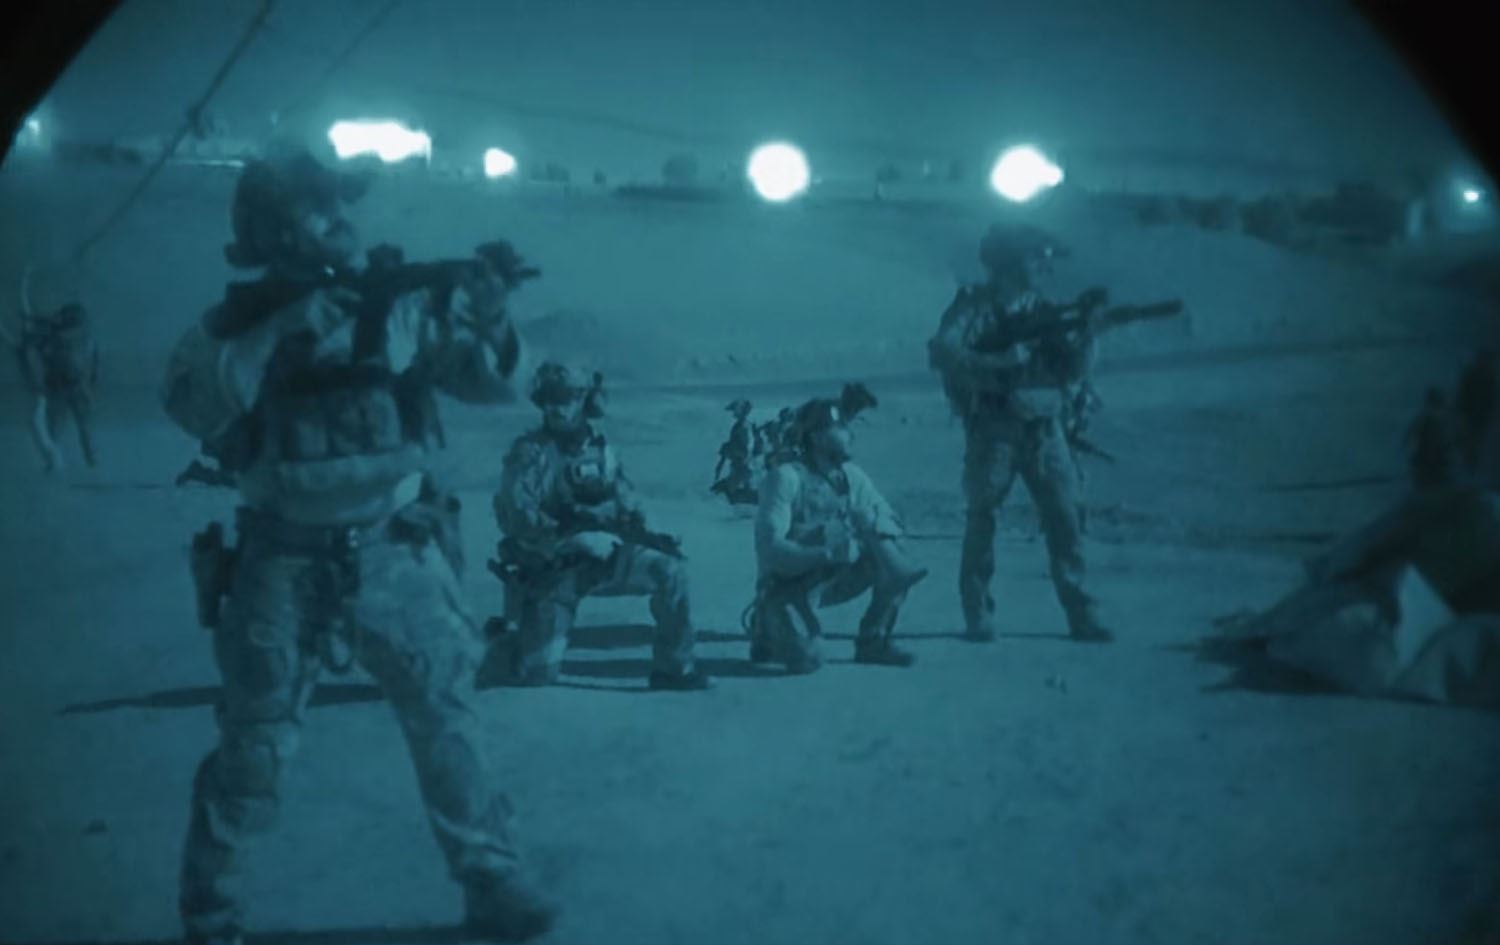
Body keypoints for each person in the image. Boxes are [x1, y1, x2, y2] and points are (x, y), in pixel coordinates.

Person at [159, 148, 555, 945]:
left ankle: (492, 879)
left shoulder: (395, 308)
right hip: (282, 557)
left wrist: (490, 315)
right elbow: (194, 404)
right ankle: (212, 910)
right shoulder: (236, 324)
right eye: (320, 207)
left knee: (448, 719)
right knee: (256, 747)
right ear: (275, 230)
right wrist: (282, 331)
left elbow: (491, 384)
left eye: (342, 203)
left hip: (395, 548)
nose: (342, 219)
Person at [927, 222, 1114, 643]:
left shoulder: (1045, 310)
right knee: (983, 518)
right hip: (994, 428)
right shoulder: (974, 308)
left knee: (1066, 518)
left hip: (1046, 429)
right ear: (1009, 263)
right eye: (1036, 259)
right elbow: (943, 352)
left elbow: (1072, 371)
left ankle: (1081, 612)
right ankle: (978, 612)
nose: (1045, 267)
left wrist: (1089, 338)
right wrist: (999, 361)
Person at [486, 361, 713, 691]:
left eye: (566, 398)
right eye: (549, 399)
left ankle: (675, 667)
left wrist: (650, 533)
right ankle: (504, 639)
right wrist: (572, 535)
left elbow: (627, 500)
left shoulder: (602, 451)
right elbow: (518, 517)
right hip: (553, 568)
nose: (556, 408)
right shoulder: (530, 454)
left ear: (584, 400)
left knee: (671, 571)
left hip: (606, 557)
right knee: (536, 675)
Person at [745, 394, 927, 674]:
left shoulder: (851, 477)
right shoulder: (786, 478)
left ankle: (874, 640)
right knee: (809, 658)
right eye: (839, 427)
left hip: (835, 578)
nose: (849, 434)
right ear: (817, 437)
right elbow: (771, 551)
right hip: (789, 583)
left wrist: (871, 524)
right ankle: (767, 628)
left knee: (889, 548)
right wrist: (826, 553)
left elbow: (891, 521)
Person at [6, 267, 100, 472]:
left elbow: (48, 328)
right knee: (63, 428)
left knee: (79, 429)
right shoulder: (63, 338)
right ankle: (69, 463)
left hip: (72, 388)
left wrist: (31, 319)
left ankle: (85, 462)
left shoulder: (68, 337)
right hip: (64, 388)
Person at [711, 398, 759, 504]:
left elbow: (747, 448)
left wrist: (731, 451)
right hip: (740, 465)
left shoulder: (743, 426)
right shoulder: (741, 425)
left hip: (743, 465)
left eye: (735, 410)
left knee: (732, 492)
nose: (733, 413)